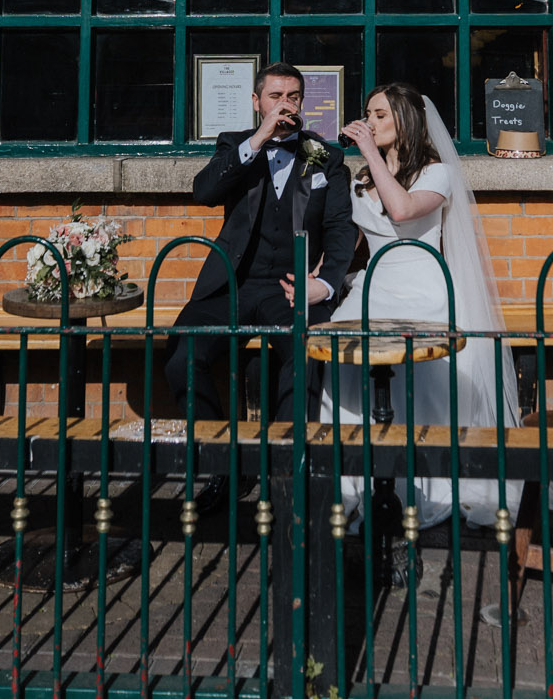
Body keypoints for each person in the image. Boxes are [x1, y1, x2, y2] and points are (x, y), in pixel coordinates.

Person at [328, 83, 521, 528]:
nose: (369, 123)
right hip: (374, 285)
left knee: (423, 384)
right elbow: (349, 242)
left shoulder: (437, 174)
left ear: (405, 120)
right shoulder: (361, 178)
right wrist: (320, 278)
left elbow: (401, 212)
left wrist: (369, 154)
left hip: (422, 286)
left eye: (380, 116)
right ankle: (355, 481)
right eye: (367, 114)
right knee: (347, 364)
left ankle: (421, 483)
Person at [168, 63, 358, 451]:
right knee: (181, 353)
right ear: (257, 101)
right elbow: (203, 192)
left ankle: (287, 468)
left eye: (293, 97)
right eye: (275, 96)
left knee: (307, 355)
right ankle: (216, 462)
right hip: (232, 285)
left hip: (291, 288)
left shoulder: (326, 157)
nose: (285, 105)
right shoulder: (235, 145)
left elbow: (341, 227)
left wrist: (323, 285)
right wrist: (257, 140)